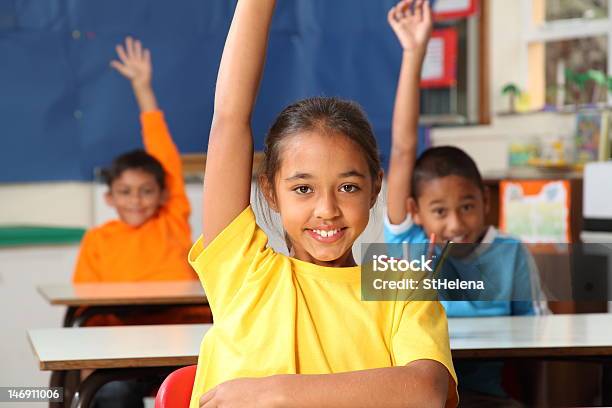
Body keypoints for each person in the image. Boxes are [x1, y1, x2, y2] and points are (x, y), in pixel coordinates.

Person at [187, 0, 458, 407]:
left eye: (348, 187)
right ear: (269, 192)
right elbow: (228, 117)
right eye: (302, 189)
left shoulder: (401, 287)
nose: (327, 209)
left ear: (374, 188)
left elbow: (428, 390)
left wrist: (275, 392)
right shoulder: (243, 273)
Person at [384, 2, 547, 404]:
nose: (456, 223)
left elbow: (541, 335)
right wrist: (414, 53)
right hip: (417, 398)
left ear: (486, 203)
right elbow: (404, 149)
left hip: (482, 397)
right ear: (415, 211)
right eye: (439, 211)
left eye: (468, 206)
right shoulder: (408, 247)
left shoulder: (510, 254)